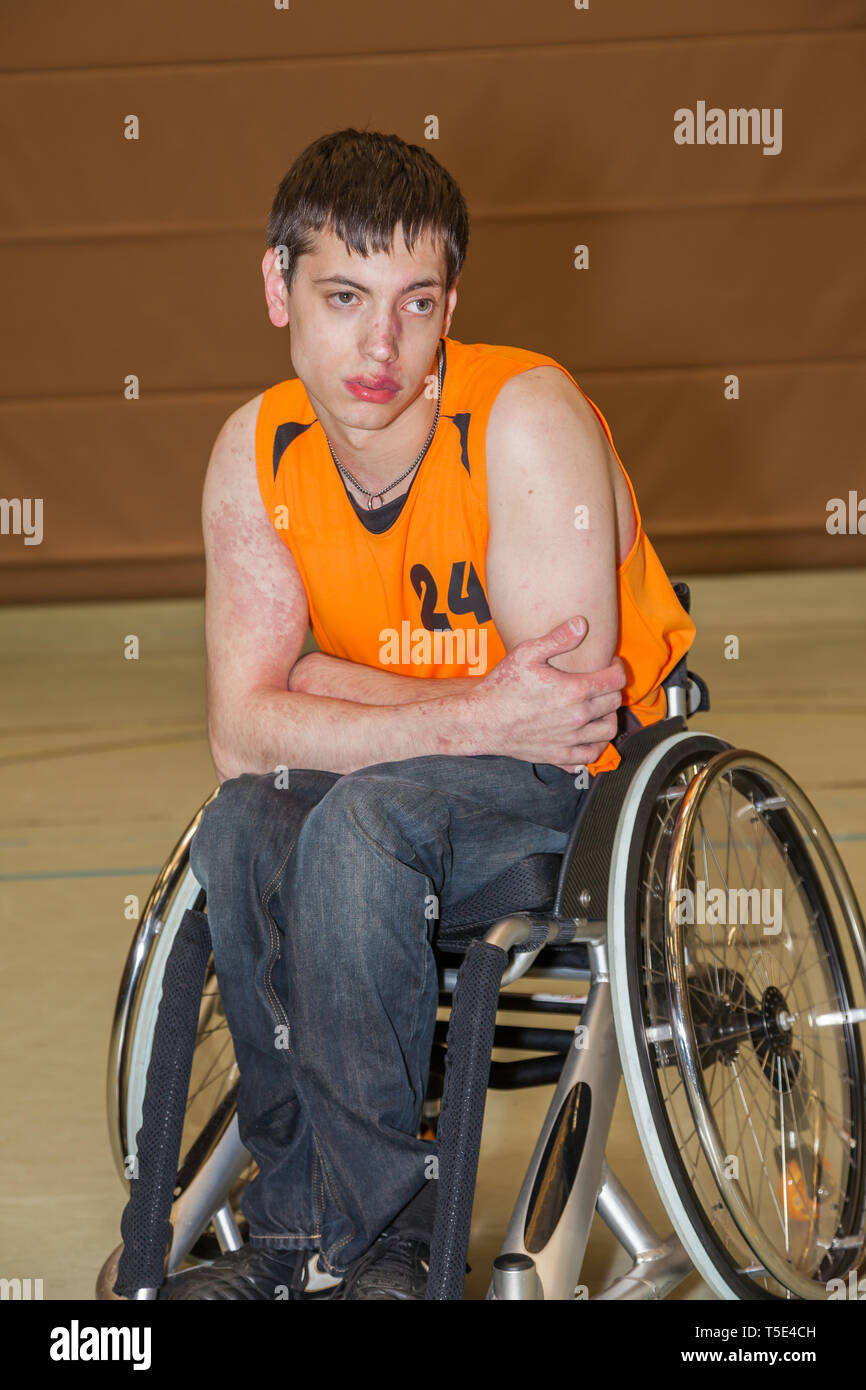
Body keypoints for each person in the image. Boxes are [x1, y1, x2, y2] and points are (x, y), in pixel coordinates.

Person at [158, 128, 695, 1300]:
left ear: (453, 300)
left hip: (582, 793)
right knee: (245, 824)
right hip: (423, 772)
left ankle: (388, 1240)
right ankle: (295, 1234)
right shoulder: (254, 455)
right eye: (342, 295)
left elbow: (555, 713)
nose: (378, 343)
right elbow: (241, 734)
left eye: (414, 301)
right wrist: (460, 711)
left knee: (360, 826)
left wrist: (326, 685)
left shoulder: (522, 416)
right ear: (275, 287)